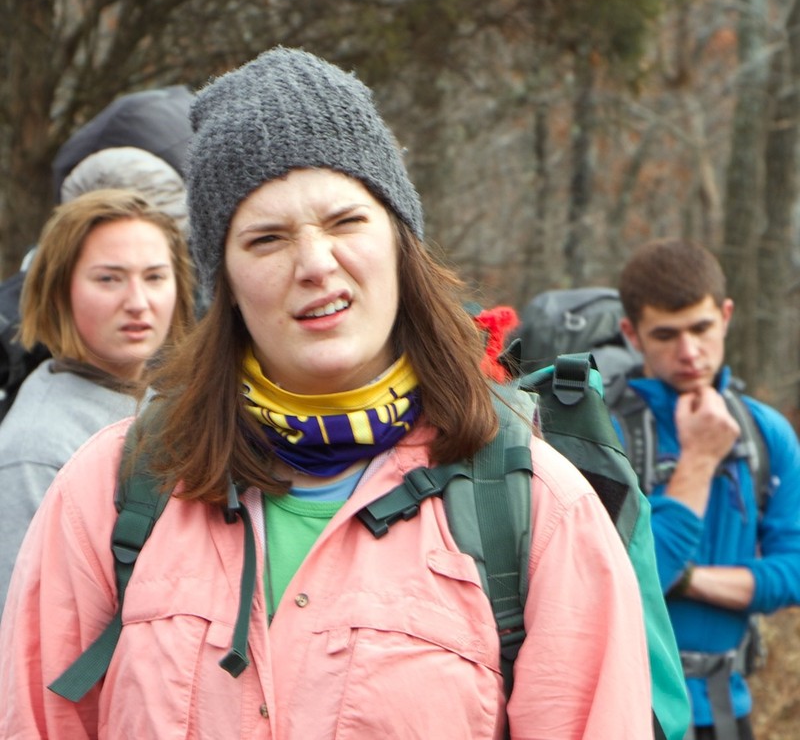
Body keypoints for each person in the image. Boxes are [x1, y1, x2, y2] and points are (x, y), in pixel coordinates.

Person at [0, 48, 652, 739]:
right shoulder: (110, 490)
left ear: (401, 243)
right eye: (267, 237)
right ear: (223, 282)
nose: (315, 263)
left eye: (345, 222)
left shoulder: (536, 506)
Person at [612, 238, 800, 740]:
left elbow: (794, 572)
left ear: (726, 315)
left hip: (726, 707)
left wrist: (687, 578)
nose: (690, 353)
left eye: (702, 328)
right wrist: (697, 460)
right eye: (666, 335)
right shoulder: (605, 434)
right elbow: (627, 581)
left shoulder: (765, 433)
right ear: (632, 334)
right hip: (630, 706)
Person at [0, 188, 195, 608]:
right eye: (109, 278)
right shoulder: (36, 452)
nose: (138, 302)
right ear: (59, 292)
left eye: (155, 277)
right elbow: (25, 638)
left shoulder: (165, 399)